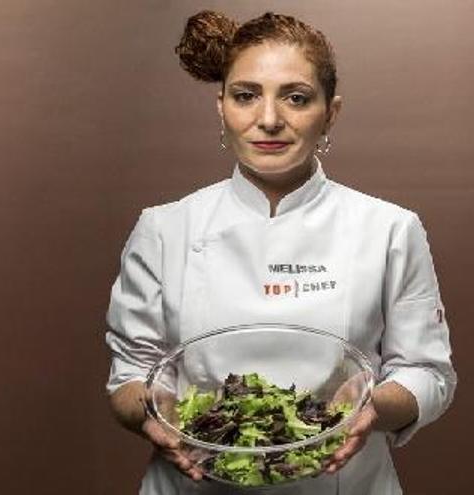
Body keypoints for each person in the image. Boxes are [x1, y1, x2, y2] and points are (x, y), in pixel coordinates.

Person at [105, 11, 456, 495]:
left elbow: (427, 372)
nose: (268, 119)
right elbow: (130, 376)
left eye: (296, 97)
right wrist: (153, 411)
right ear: (221, 106)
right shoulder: (165, 228)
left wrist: (373, 405)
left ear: (330, 112)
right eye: (246, 95)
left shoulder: (390, 229)